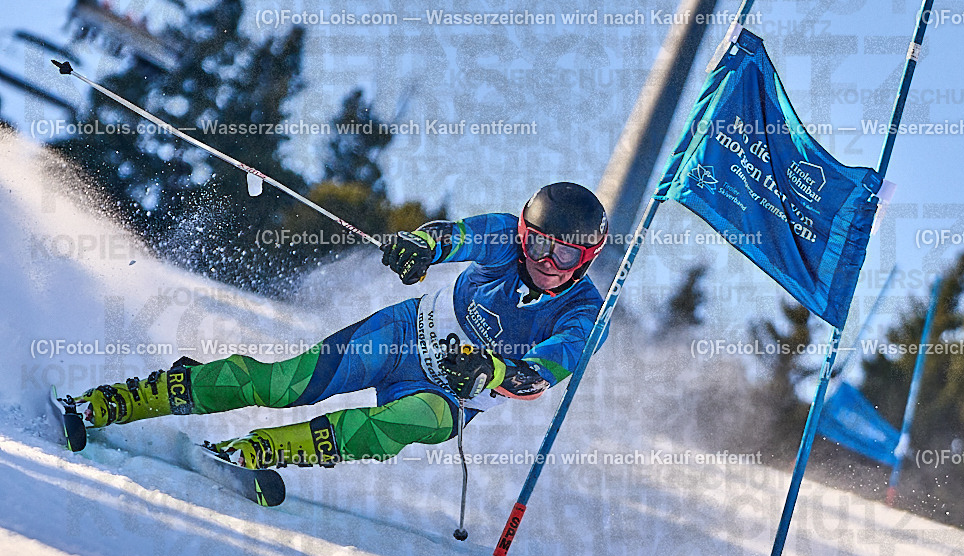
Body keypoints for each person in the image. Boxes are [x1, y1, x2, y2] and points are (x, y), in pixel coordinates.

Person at [72, 182, 609, 469]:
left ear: (587, 257)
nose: (546, 261)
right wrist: (417, 247)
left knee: (402, 424)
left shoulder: (585, 313)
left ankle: (265, 450)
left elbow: (540, 373)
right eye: (538, 242)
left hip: (454, 394)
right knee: (285, 384)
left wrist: (491, 368)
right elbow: (454, 236)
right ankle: (134, 398)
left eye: (565, 254)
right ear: (524, 232)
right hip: (403, 336)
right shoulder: (505, 239)